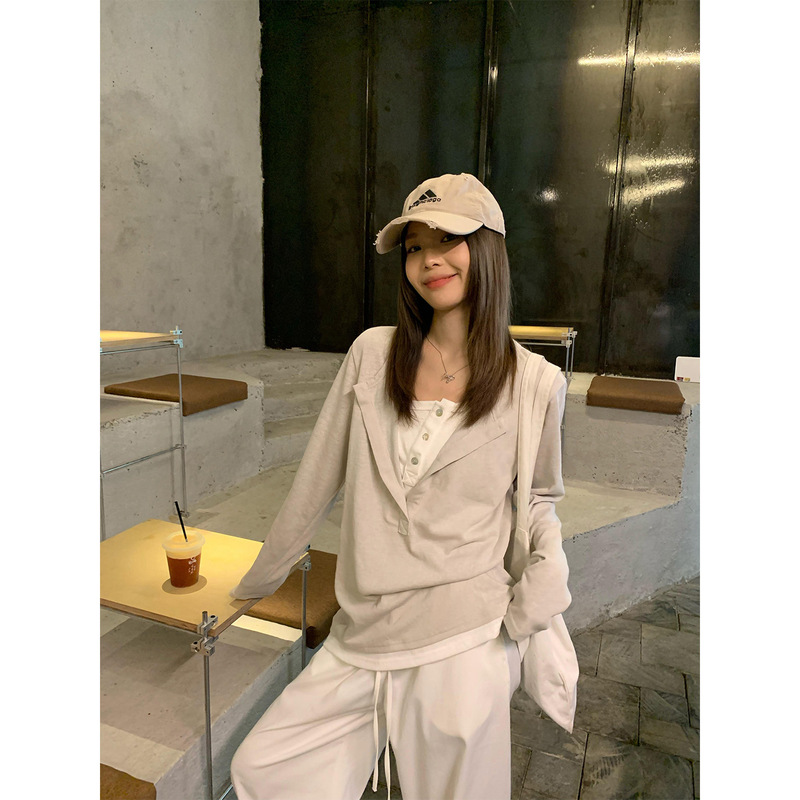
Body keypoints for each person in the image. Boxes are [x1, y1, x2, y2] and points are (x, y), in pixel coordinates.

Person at [229, 172, 575, 800]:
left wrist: (542, 585)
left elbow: (538, 497)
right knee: (265, 768)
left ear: (488, 248)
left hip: (465, 636)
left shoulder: (534, 383)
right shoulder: (373, 353)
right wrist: (258, 581)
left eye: (447, 239)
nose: (428, 260)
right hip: (365, 628)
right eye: (415, 246)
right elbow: (316, 477)